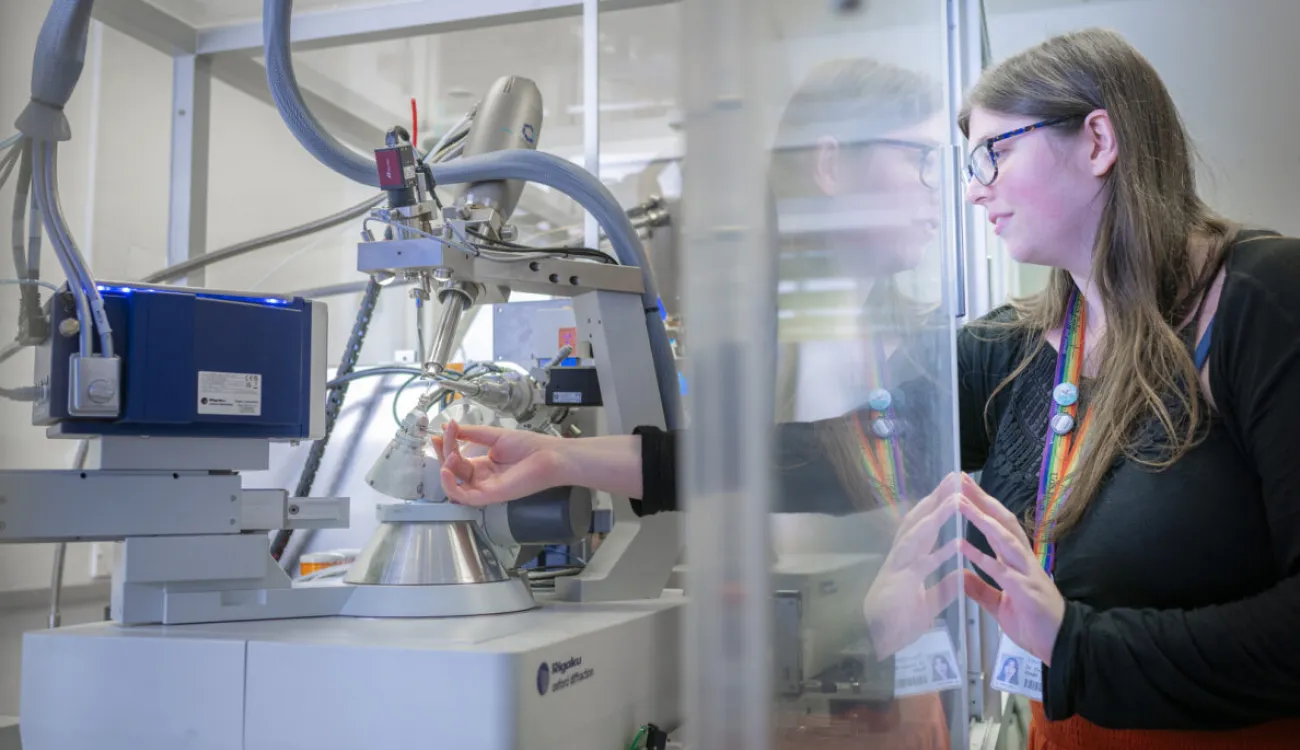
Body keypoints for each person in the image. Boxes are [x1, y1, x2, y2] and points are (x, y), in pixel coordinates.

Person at [434, 28, 1300, 748]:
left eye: (994, 153)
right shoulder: (1024, 351)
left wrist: (1077, 642)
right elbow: (808, 458)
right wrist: (562, 457)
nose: (972, 190)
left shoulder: (1259, 297)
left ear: (1099, 141)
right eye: (961, 162)